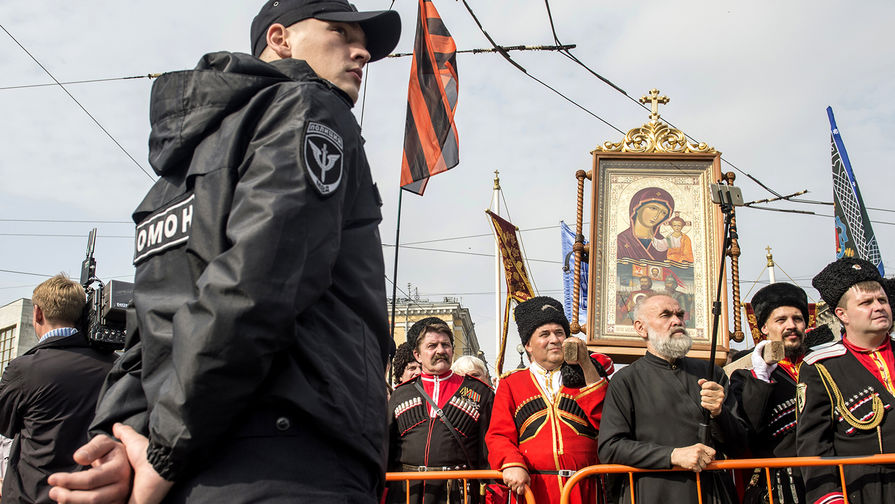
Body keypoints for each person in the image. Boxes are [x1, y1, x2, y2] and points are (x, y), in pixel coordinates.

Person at [48, 2, 401, 503]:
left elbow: (145, 331)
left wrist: (120, 439)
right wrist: (165, 450)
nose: (362, 51)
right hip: (289, 459)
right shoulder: (308, 107)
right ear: (280, 40)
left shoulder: (175, 172)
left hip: (192, 462)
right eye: (341, 33)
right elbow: (259, 282)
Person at [598, 293, 746, 503]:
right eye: (665, 315)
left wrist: (719, 413)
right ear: (641, 328)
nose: (677, 321)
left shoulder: (711, 373)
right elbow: (610, 447)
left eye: (680, 314)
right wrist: (672, 456)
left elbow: (739, 445)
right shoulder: (626, 380)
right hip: (653, 492)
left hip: (711, 492)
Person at [0, 274, 117, 503]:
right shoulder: (116, 366)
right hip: (94, 495)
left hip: (33, 496)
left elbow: (5, 426)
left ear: (38, 313)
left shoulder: (23, 369)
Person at [486, 296, 613, 503]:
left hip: (585, 488)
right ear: (528, 345)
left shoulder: (589, 375)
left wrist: (586, 366)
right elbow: (499, 435)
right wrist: (511, 463)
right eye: (544, 334)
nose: (554, 340)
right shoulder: (511, 383)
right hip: (535, 490)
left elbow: (607, 423)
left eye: (559, 333)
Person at [797, 257, 895, 503]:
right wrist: (829, 498)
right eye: (866, 302)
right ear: (842, 314)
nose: (879, 307)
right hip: (867, 489)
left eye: (882, 300)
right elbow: (814, 445)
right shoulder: (820, 366)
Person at [386, 318, 494, 504]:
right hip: (407, 492)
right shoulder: (401, 394)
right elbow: (387, 450)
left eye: (445, 345)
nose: (440, 351)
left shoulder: (480, 392)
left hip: (458, 493)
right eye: (432, 345)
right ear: (417, 355)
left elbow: (488, 452)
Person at [729, 283, 810, 504]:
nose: (791, 326)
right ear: (764, 328)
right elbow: (749, 429)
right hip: (781, 484)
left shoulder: (819, 366)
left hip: (828, 477)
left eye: (798, 319)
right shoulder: (745, 375)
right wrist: (762, 377)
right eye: (781, 320)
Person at [616, 187, 674, 262]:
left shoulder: (665, 242)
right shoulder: (620, 241)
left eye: (663, 213)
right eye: (653, 208)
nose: (656, 216)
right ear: (637, 208)